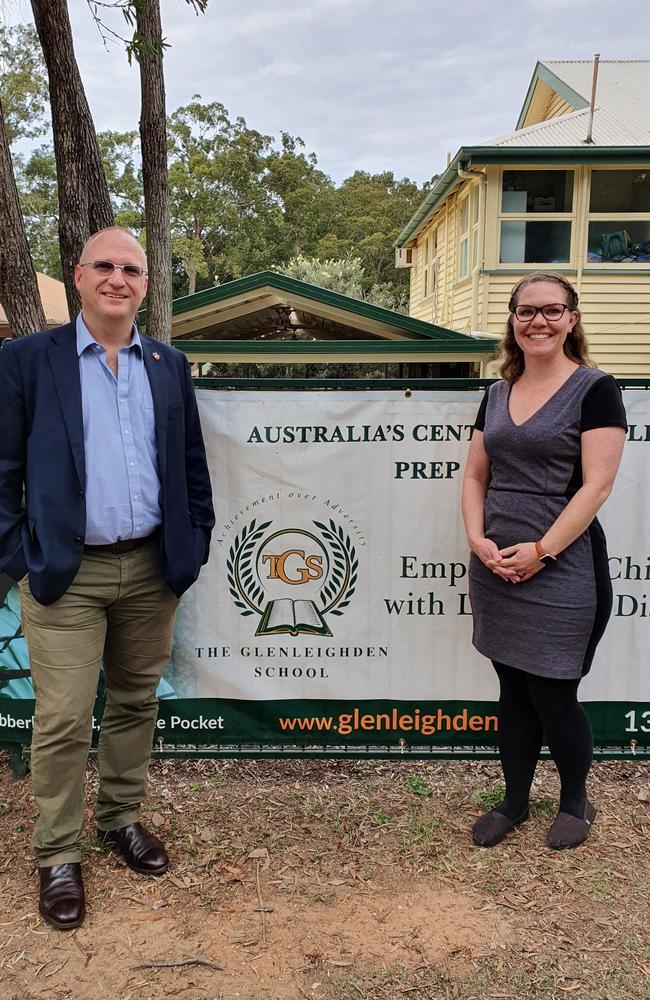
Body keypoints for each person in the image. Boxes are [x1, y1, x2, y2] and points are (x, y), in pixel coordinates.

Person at [0, 227, 214, 929]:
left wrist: (194, 545)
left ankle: (120, 819)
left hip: (153, 568)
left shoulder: (168, 363)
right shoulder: (29, 361)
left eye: (131, 268)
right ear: (81, 276)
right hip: (67, 573)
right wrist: (16, 557)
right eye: (105, 266)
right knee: (62, 717)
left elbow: (191, 468)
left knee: (133, 703)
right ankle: (57, 853)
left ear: (145, 284)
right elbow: (2, 473)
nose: (118, 278)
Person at [461, 271, 626, 851]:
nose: (539, 321)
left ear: (572, 320)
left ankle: (576, 800)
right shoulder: (496, 392)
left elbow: (596, 488)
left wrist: (542, 552)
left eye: (552, 311)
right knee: (511, 689)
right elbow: (476, 474)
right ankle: (514, 801)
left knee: (554, 693)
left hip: (563, 567)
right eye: (527, 311)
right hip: (496, 565)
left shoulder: (595, 389)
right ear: (512, 320)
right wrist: (478, 541)